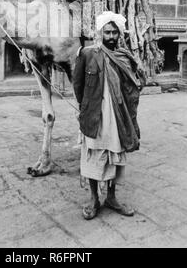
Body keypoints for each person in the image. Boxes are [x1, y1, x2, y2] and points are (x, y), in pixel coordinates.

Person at [73, 11, 142, 220]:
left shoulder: (123, 57)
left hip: (118, 116)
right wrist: (85, 107)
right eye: (107, 32)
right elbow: (78, 85)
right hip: (95, 116)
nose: (111, 36)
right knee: (94, 156)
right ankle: (94, 199)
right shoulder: (87, 54)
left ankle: (111, 197)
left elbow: (132, 85)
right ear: (100, 33)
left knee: (115, 157)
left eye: (114, 32)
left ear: (119, 34)